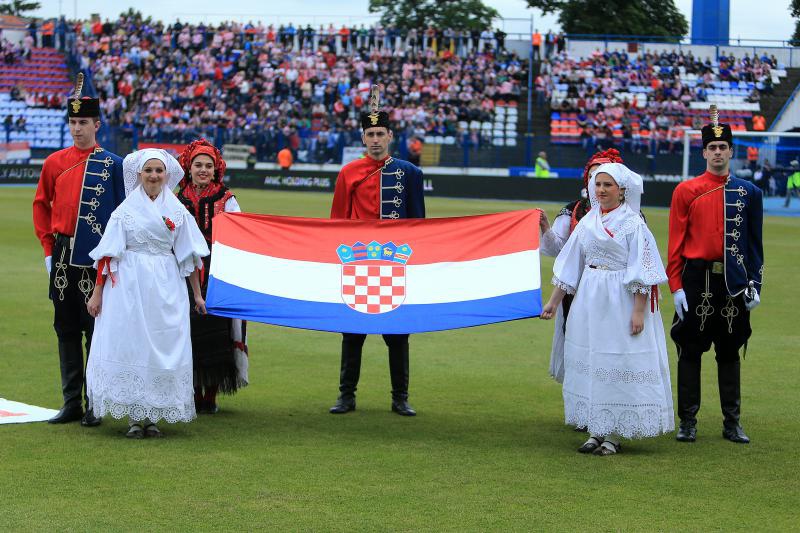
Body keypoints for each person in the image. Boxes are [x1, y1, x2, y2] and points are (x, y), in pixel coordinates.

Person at [541, 163, 674, 456]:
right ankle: (595, 428)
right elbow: (570, 264)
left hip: (620, 298)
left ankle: (614, 434)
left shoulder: (633, 224)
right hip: (590, 297)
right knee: (591, 356)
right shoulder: (588, 222)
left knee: (617, 361)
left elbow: (643, 270)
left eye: (607, 185)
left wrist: (639, 311)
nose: (601, 190)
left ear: (622, 189)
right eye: (597, 185)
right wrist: (553, 301)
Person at [85, 149, 210, 438]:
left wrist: (197, 295)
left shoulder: (178, 211)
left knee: (162, 342)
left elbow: (188, 257)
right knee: (131, 342)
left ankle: (153, 415)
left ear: (167, 175)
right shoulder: (124, 212)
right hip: (129, 285)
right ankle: (133, 416)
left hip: (166, 286)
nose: (154, 176)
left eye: (159, 170)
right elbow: (107, 256)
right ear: (139, 174)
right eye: (149, 171)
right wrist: (97, 293)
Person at [32, 74, 125, 426]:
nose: (77, 129)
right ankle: (71, 402)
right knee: (65, 327)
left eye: (83, 122)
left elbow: (120, 215)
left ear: (97, 124)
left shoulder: (112, 164)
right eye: (72, 122)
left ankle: (94, 403)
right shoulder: (54, 162)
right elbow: (41, 205)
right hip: (61, 253)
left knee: (95, 331)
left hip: (95, 256)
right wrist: (46, 249)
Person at [668, 106, 763, 444]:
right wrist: (676, 286)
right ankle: (688, 421)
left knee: (729, 350)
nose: (718, 152)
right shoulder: (686, 191)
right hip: (696, 280)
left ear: (731, 151)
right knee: (690, 351)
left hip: (733, 283)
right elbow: (676, 242)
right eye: (713, 147)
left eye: (724, 147)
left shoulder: (750, 193)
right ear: (704, 151)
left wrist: (756, 283)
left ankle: (732, 422)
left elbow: (754, 245)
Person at [329, 86, 425, 416]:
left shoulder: (410, 173)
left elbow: (419, 225)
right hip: (357, 263)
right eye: (369, 133)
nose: (374, 139)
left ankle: (400, 397)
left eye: (380, 133)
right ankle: (346, 395)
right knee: (351, 334)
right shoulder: (347, 173)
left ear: (390, 135)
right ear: (362, 136)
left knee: (398, 335)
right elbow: (337, 221)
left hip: (394, 265)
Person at [539, 148, 624, 386]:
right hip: (577, 291)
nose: (600, 186)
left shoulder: (630, 216)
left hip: (614, 291)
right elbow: (562, 253)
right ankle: (580, 400)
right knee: (577, 340)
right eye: (594, 178)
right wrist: (546, 228)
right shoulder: (575, 210)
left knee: (610, 342)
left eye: (606, 179)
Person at [176, 139, 249, 414]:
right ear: (189, 167)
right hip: (183, 272)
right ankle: (193, 392)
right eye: (198, 165)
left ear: (216, 169)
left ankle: (211, 395)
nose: (203, 170)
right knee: (188, 332)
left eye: (208, 165)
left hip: (217, 272)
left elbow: (240, 234)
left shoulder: (227, 199)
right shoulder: (177, 196)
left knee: (218, 333)